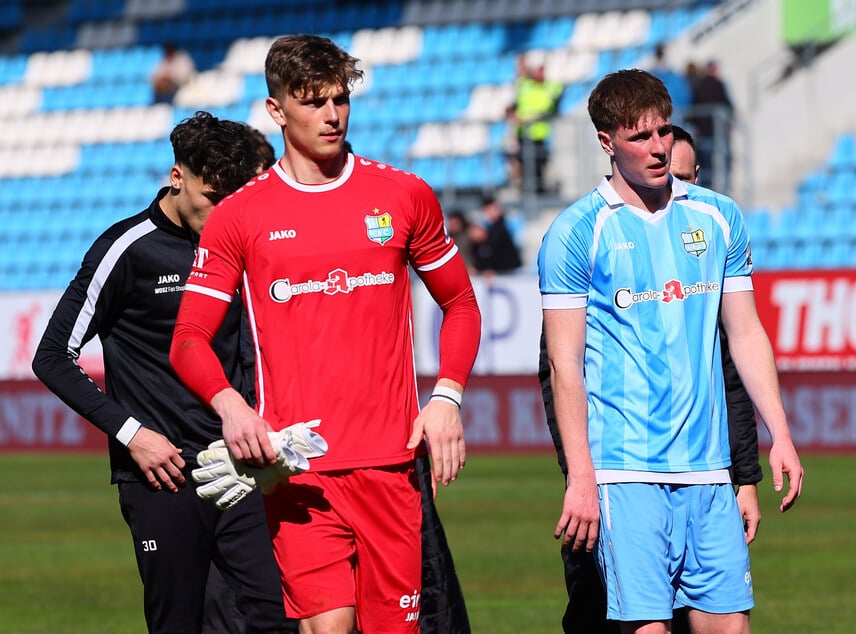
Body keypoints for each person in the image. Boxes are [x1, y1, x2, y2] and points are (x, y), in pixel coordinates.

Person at [169, 34, 482, 634]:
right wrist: (233, 408)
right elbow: (188, 338)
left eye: (340, 99)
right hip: (296, 468)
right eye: (312, 102)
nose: (332, 115)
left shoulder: (403, 195)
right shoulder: (241, 216)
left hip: (392, 465)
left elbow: (461, 303)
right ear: (276, 109)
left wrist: (446, 397)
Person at [537, 69, 803, 633]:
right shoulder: (577, 232)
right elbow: (565, 368)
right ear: (607, 142)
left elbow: (747, 334)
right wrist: (581, 476)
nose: (658, 147)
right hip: (625, 473)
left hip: (709, 470)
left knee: (730, 626)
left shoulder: (718, 216)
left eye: (664, 132)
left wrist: (780, 432)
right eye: (640, 137)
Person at [32, 111, 295, 634]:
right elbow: (52, 355)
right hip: (163, 478)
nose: (221, 213)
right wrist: (133, 435)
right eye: (212, 197)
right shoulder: (125, 249)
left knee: (281, 616)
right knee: (178, 623)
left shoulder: (237, 241)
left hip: (241, 468)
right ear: (178, 177)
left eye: (231, 200)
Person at [514, 59, 563, 193]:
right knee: (524, 165)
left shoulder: (551, 87)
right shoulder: (524, 85)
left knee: (538, 165)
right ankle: (526, 190)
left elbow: (555, 99)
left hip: (540, 134)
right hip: (523, 133)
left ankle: (538, 192)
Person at [685, 60, 734, 191]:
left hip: (704, 130)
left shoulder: (700, 86)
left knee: (705, 163)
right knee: (715, 163)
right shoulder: (718, 84)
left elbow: (693, 108)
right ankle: (718, 188)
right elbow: (727, 105)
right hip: (714, 130)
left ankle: (707, 188)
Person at [470, 194, 523, 275]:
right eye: (487, 210)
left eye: (492, 209)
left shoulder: (502, 226)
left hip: (509, 271)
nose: (490, 213)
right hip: (501, 271)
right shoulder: (489, 227)